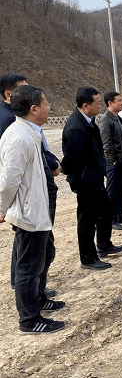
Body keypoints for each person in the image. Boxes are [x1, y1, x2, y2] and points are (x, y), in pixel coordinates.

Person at [0, 85, 65, 333]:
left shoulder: (29, 132)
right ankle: (29, 320)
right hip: (27, 214)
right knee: (28, 268)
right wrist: (2, 208)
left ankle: (39, 301)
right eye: (46, 103)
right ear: (34, 108)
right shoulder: (19, 136)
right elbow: (8, 181)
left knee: (43, 256)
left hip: (36, 210)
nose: (49, 107)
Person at [61, 87, 122, 270]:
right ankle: (88, 258)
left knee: (104, 211)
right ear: (85, 105)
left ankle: (104, 245)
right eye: (97, 102)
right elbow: (71, 159)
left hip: (94, 178)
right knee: (87, 219)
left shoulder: (88, 121)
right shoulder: (76, 127)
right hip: (85, 181)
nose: (100, 105)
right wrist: (77, 177)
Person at [99, 91, 122, 230]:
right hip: (115, 162)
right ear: (110, 103)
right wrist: (113, 161)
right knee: (112, 191)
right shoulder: (105, 120)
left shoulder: (119, 119)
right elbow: (106, 144)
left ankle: (121, 214)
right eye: (119, 100)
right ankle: (111, 218)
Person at [0, 73, 27, 138]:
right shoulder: (11, 119)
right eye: (24, 91)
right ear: (8, 95)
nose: (30, 94)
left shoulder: (4, 110)